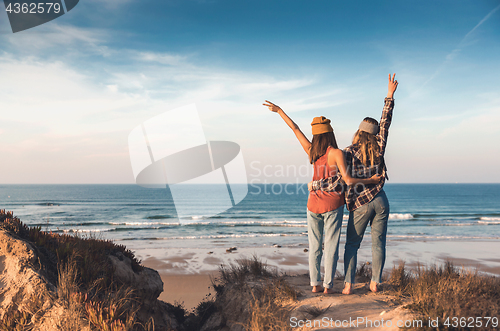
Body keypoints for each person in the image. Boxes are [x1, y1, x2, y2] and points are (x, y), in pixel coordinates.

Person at [263, 100, 381, 294]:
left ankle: (315, 284)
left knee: (315, 247)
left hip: (312, 204)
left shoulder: (311, 152)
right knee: (331, 246)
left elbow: (295, 129)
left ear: (316, 136)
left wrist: (280, 111)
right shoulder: (336, 153)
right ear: (330, 134)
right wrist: (371, 179)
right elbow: (349, 180)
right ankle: (328, 287)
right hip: (333, 204)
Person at [308, 73, 398, 294]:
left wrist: (316, 186)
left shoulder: (347, 153)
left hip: (360, 204)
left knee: (352, 245)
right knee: (378, 243)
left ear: (358, 131)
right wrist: (389, 96)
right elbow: (385, 121)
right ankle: (375, 282)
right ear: (375, 134)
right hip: (381, 200)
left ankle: (348, 285)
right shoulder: (380, 145)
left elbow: (338, 180)